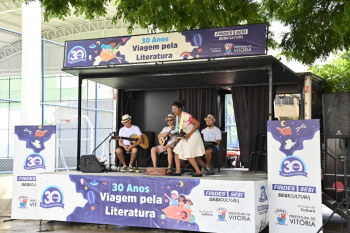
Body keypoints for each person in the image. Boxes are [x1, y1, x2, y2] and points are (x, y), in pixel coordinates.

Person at [170, 101, 205, 177]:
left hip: (193, 136)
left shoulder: (186, 116)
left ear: (180, 109)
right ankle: (178, 171)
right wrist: (178, 135)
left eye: (175, 108)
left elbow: (198, 124)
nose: (173, 111)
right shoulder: (177, 118)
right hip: (185, 136)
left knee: (188, 155)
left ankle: (198, 172)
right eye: (172, 109)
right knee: (176, 152)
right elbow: (181, 129)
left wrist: (189, 134)